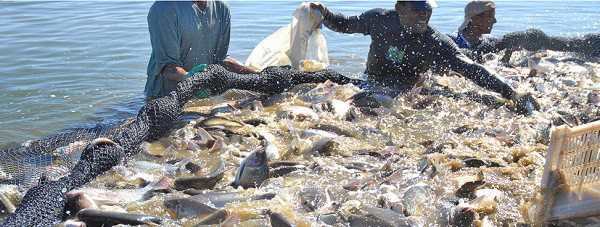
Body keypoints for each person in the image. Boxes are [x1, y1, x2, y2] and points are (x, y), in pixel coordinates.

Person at [309, 0, 539, 113]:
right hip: (372, 81)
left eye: (427, 10)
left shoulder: (435, 42)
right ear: (400, 8)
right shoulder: (379, 20)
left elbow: (471, 69)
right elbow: (345, 25)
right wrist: (324, 13)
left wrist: (512, 92)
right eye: (417, 10)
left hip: (404, 93)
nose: (424, 16)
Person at [144, 1, 257, 98]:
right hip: (164, 96)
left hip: (205, 96)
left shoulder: (221, 6)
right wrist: (190, 78)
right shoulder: (163, 9)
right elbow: (167, 67)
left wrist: (259, 76)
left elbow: (220, 61)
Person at [449, 0, 600, 62]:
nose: (494, 21)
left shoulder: (489, 41)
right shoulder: (452, 40)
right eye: (490, 17)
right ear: (475, 19)